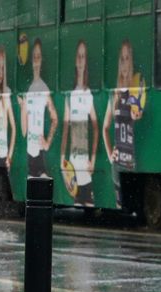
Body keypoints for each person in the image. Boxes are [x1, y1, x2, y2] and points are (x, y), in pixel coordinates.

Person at [102, 39, 142, 205]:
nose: (125, 62)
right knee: (120, 204)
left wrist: (137, 116)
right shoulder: (115, 94)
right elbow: (105, 127)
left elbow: (139, 116)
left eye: (128, 58)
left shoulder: (137, 89)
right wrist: (110, 153)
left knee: (132, 205)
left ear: (131, 61)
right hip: (118, 164)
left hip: (132, 162)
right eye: (122, 58)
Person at [60, 40, 99, 206]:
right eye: (79, 56)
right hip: (73, 166)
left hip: (85, 165)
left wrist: (93, 160)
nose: (81, 60)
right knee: (78, 204)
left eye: (84, 56)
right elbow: (65, 130)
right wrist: (63, 158)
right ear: (76, 61)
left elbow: (97, 129)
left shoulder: (89, 95)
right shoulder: (70, 96)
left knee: (89, 203)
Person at [18, 38, 58, 178]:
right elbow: (24, 131)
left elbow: (55, 118)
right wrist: (23, 107)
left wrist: (48, 141)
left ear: (41, 61)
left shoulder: (45, 89)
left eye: (38, 56)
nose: (36, 60)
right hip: (30, 158)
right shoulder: (27, 90)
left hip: (41, 156)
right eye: (34, 56)